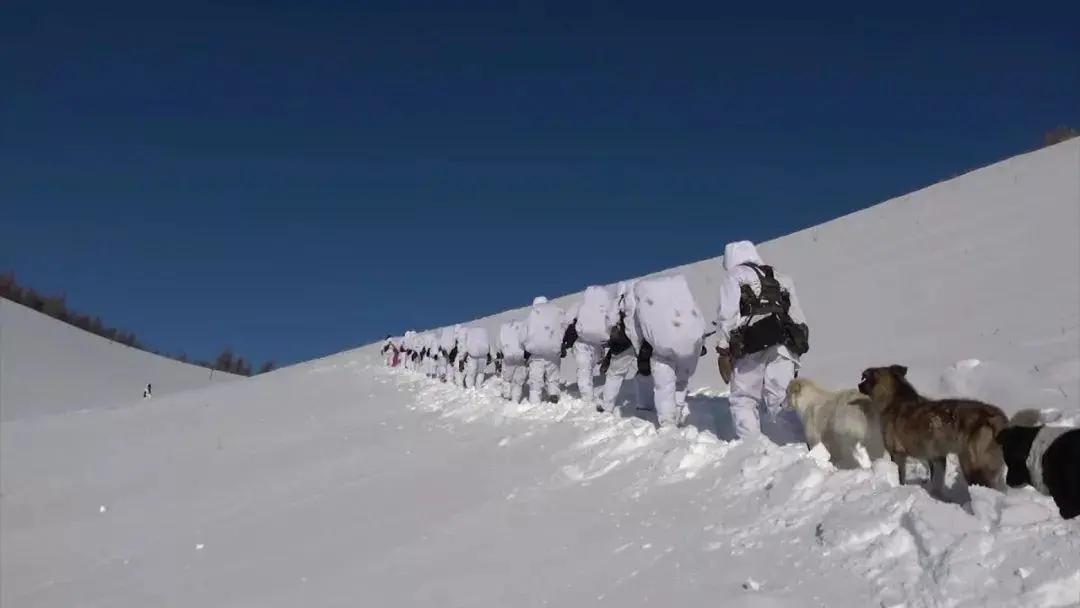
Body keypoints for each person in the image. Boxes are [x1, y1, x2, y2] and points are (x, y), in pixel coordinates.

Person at [714, 240, 809, 440]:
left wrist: (723, 350)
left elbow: (727, 315)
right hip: (783, 343)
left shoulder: (735, 275)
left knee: (744, 399)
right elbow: (798, 317)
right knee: (782, 400)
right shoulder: (781, 278)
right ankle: (795, 447)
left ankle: (751, 450)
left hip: (750, 344)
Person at [632, 274, 706, 428]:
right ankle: (677, 415)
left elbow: (638, 330)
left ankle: (668, 424)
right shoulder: (681, 295)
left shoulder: (642, 300)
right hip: (690, 344)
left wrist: (641, 349)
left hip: (661, 348)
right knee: (681, 382)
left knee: (664, 387)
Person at [596, 281, 647, 414]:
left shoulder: (619, 301)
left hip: (624, 343)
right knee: (646, 372)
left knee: (615, 375)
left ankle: (607, 406)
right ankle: (645, 404)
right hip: (643, 342)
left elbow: (610, 321)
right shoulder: (644, 298)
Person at [561, 285, 613, 408]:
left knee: (584, 369)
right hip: (598, 346)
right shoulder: (607, 306)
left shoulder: (579, 305)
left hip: (582, 343)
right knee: (591, 368)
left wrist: (565, 342)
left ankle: (587, 398)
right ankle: (600, 395)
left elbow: (567, 323)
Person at [522, 296, 566, 404]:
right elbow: (564, 328)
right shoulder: (557, 313)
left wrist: (525, 349)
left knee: (536, 379)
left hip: (536, 354)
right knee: (553, 376)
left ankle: (535, 401)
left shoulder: (532, 315)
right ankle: (553, 395)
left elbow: (523, 335)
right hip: (553, 352)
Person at [498, 320, 528, 403]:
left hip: (508, 356)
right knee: (518, 381)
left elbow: (499, 345)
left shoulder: (503, 329)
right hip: (519, 356)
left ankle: (507, 395)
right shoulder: (523, 327)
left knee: (507, 378)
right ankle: (515, 400)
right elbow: (526, 342)